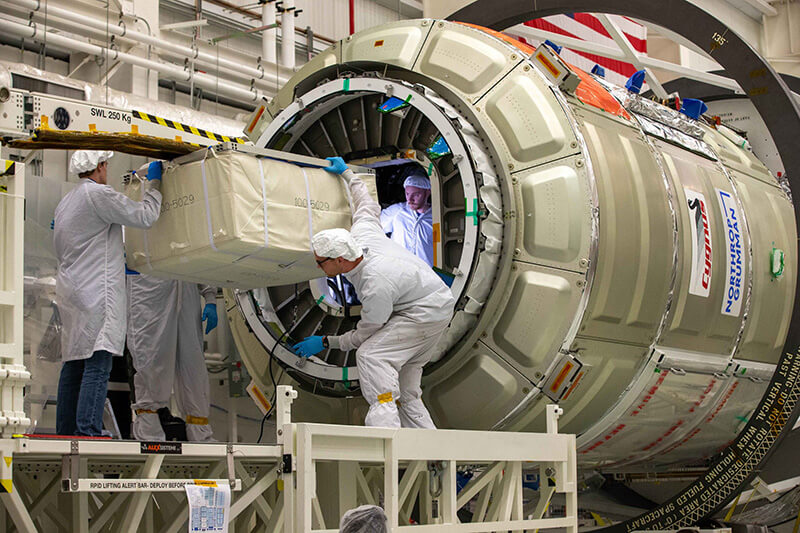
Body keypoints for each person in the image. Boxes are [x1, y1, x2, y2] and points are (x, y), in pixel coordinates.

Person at [293, 157, 455, 429]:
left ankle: (385, 436)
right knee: (408, 390)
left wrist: (327, 342)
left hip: (423, 313)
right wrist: (346, 173)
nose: (318, 267)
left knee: (371, 355)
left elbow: (365, 334)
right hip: (435, 306)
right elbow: (366, 204)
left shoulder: (374, 284)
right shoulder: (362, 235)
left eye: (322, 262)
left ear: (341, 261)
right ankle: (433, 457)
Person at [54, 151, 162, 436]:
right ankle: (88, 429)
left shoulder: (66, 202)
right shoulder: (99, 195)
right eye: (107, 166)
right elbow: (146, 216)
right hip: (96, 292)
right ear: (100, 166)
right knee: (99, 360)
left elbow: (89, 242)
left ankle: (66, 431)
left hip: (72, 293)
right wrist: (155, 186)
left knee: (74, 363)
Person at [126, 274, 218, 442]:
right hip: (149, 294)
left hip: (187, 291)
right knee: (151, 360)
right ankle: (149, 430)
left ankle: (199, 430)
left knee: (193, 365)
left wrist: (210, 296)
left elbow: (201, 254)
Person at [380, 168, 434, 266]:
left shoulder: (436, 217)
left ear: (428, 192)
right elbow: (374, 228)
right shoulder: (396, 211)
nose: (410, 200)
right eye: (407, 194)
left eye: (416, 195)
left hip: (427, 273)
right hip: (400, 270)